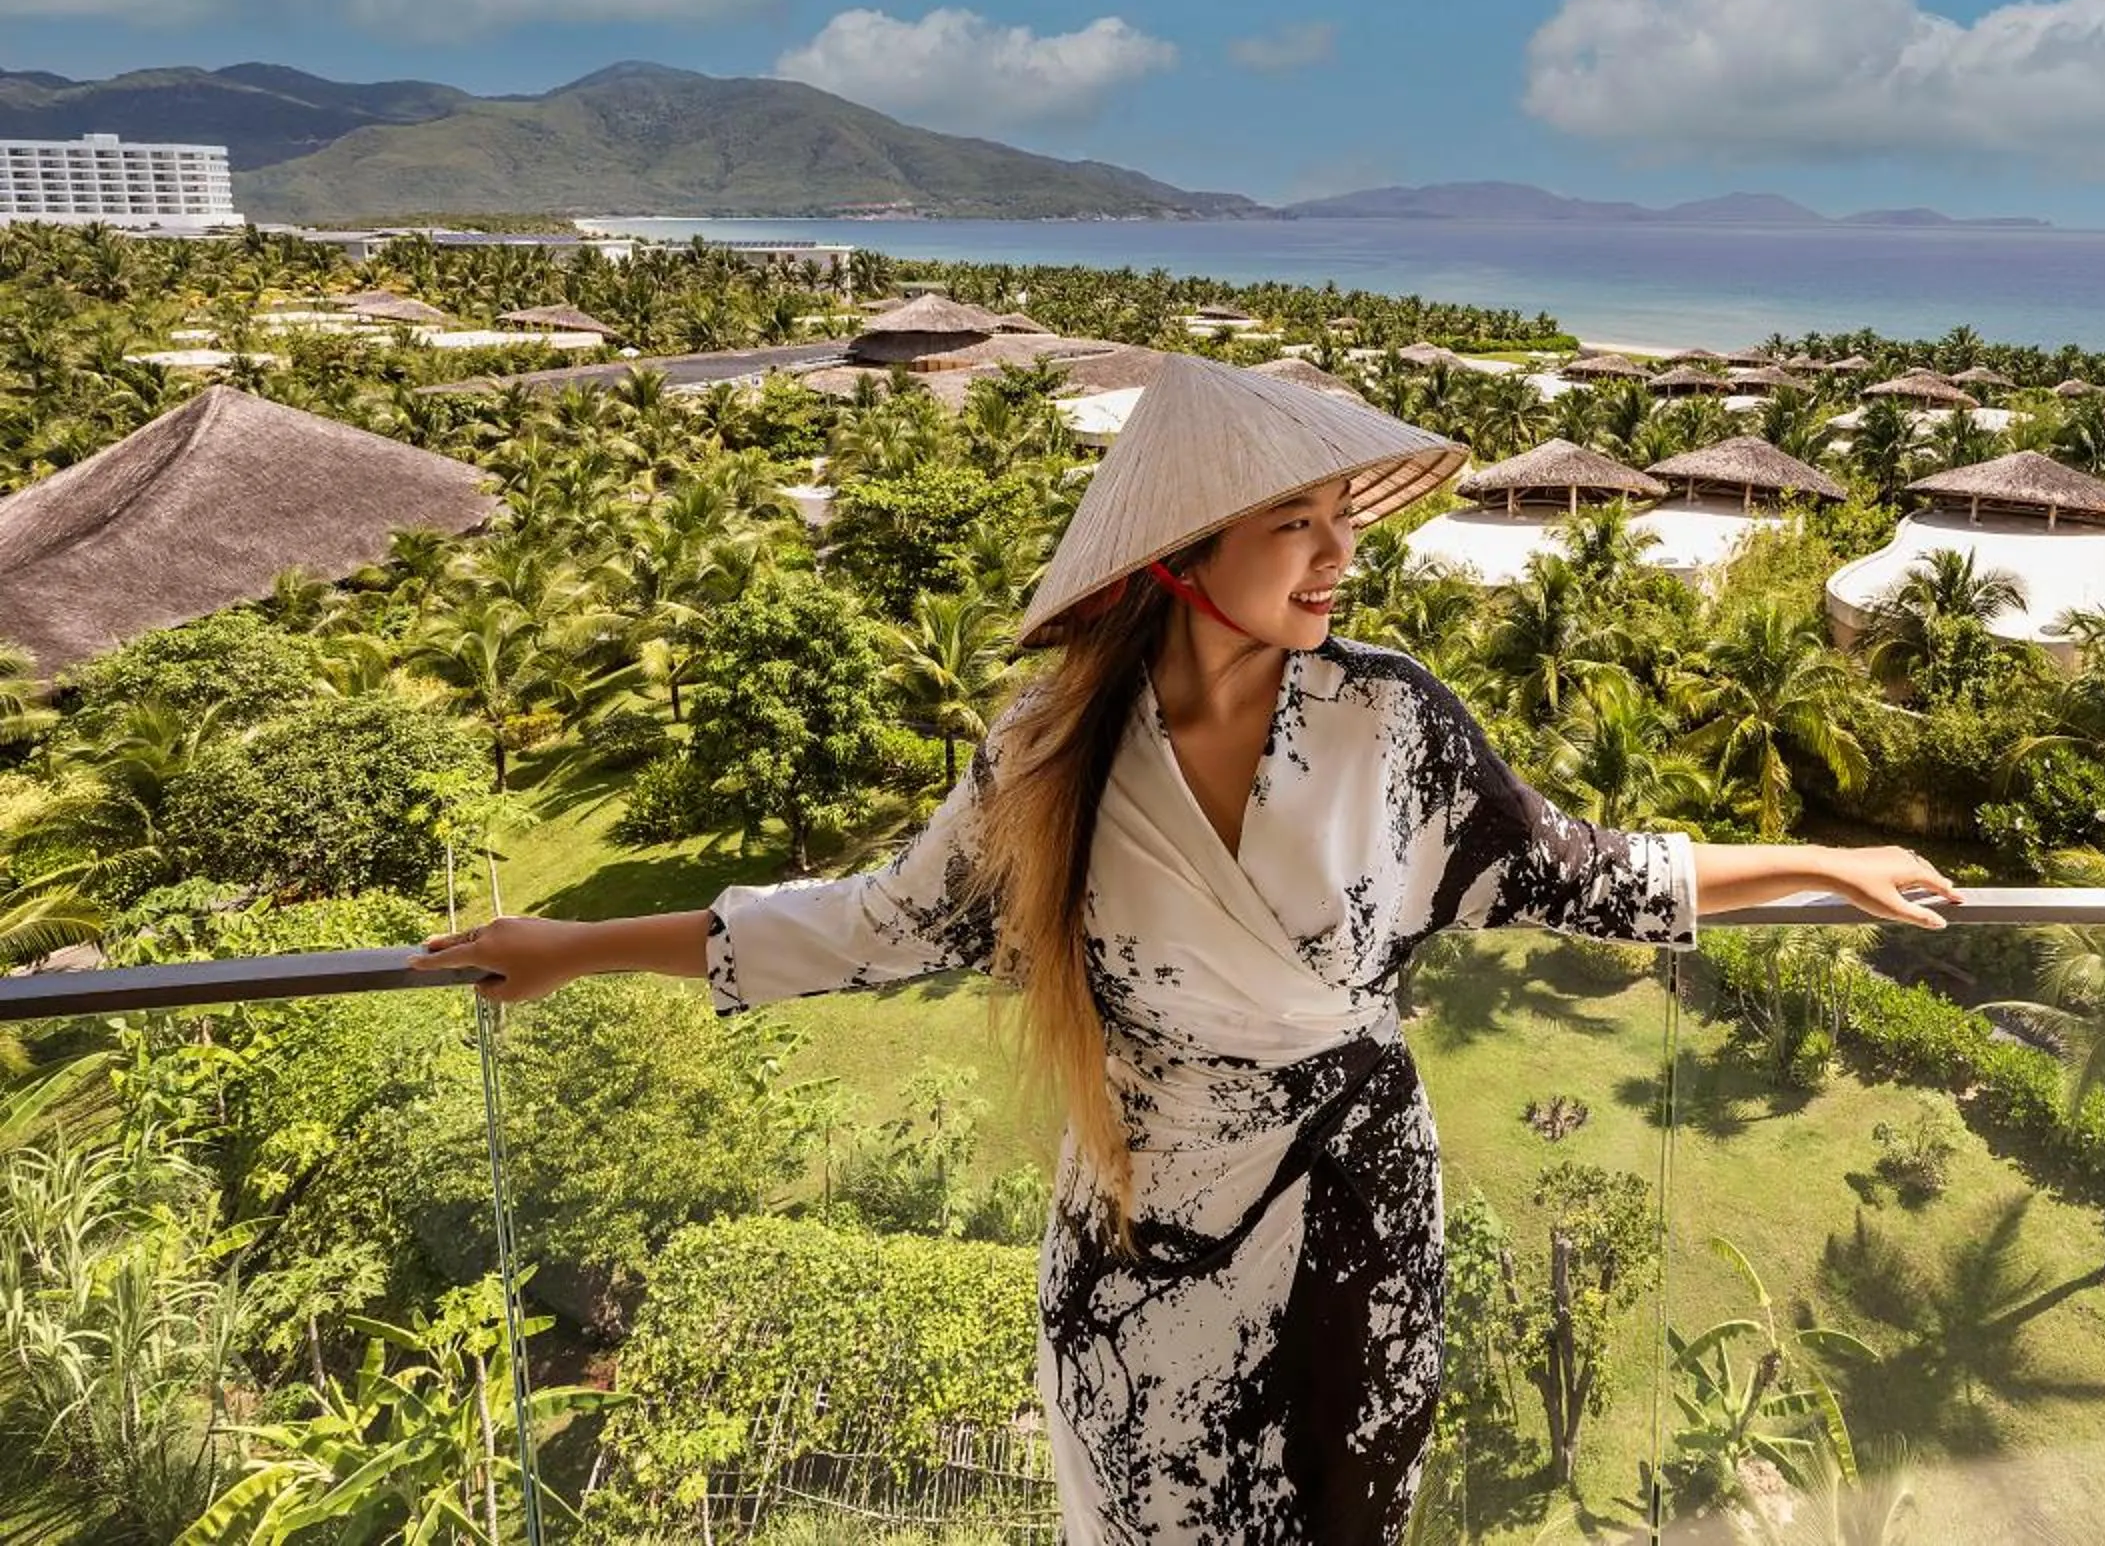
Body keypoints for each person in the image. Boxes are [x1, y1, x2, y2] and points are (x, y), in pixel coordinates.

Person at [416, 355, 1954, 1544]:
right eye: (1297, 520)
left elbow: (1575, 872)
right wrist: (570, 945)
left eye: (1343, 518)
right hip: (1141, 1249)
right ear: (1179, 549)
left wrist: (1824, 858)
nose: (1337, 552)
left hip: (1356, 1235)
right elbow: (874, 924)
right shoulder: (1052, 760)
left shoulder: (1389, 719)